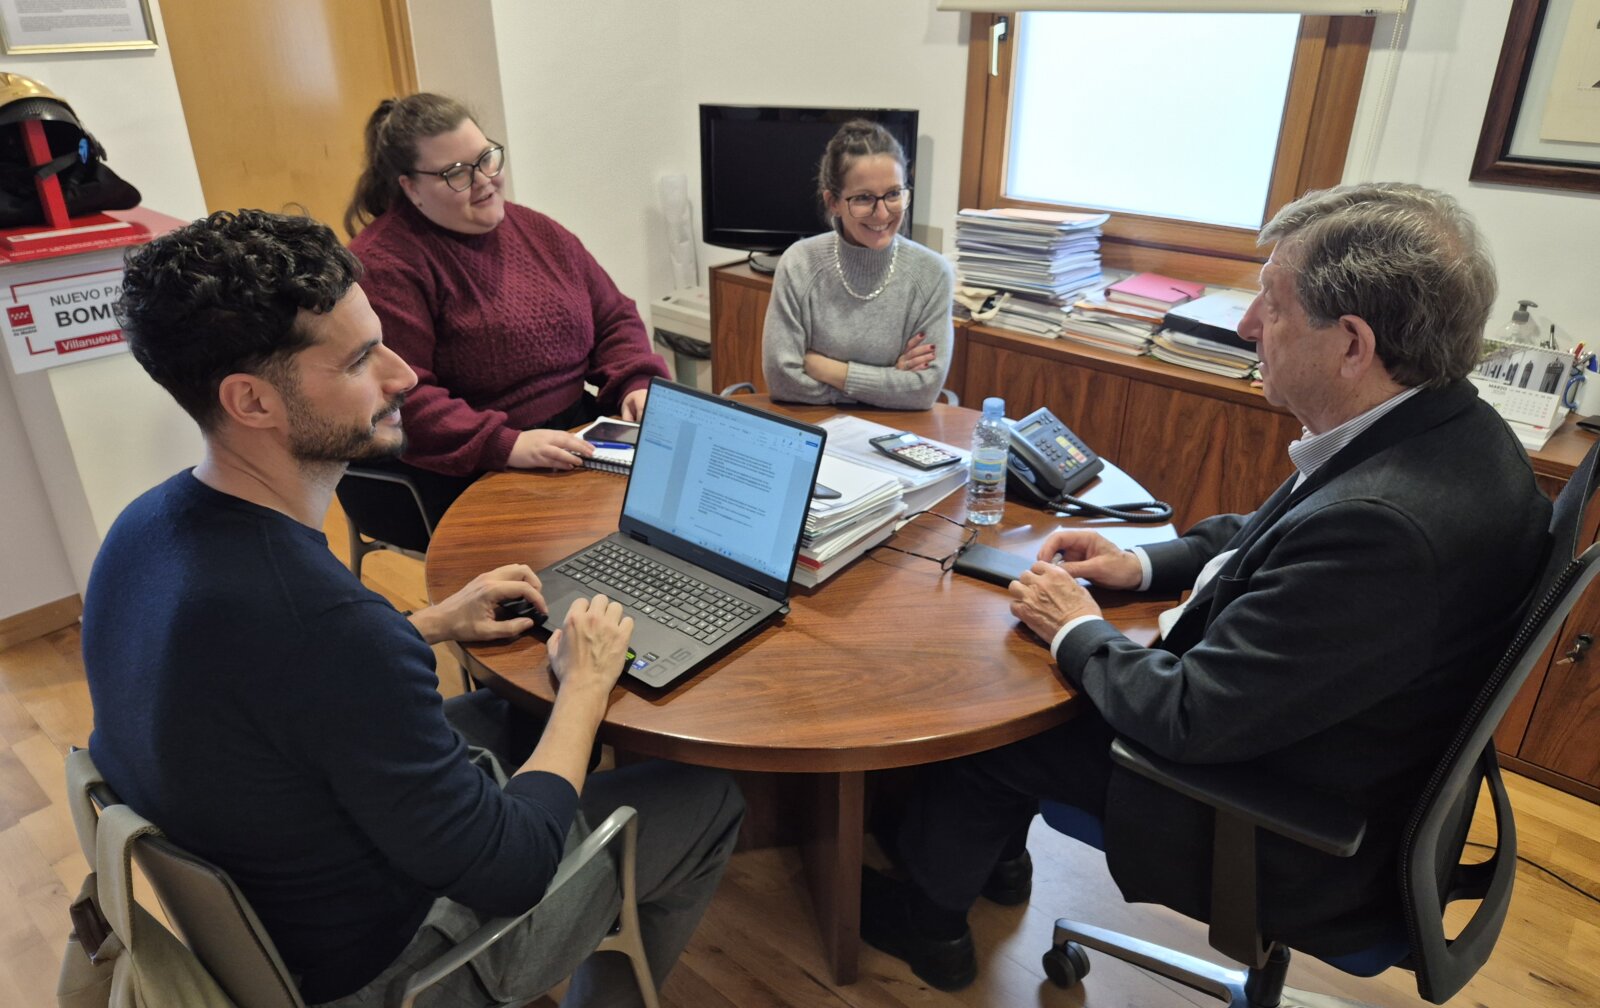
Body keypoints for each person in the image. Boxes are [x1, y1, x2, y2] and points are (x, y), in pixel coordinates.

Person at [859, 182, 1552, 990]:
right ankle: (993, 864)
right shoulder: (1445, 430)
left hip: (1280, 824)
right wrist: (1144, 564)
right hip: (1347, 758)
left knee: (988, 722)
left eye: (1273, 305)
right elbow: (1273, 533)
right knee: (1029, 688)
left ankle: (932, 928)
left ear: (1352, 345)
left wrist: (1076, 623)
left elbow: (1188, 716)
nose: (1248, 324)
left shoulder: (1387, 528)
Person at [85, 209, 743, 1007]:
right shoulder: (327, 628)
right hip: (392, 968)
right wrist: (586, 686)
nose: (403, 377)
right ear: (251, 401)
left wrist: (427, 624)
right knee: (707, 797)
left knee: (508, 710)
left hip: (281, 896)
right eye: (361, 359)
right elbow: (514, 870)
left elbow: (274, 683)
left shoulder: (141, 532)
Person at [344, 93, 670, 527]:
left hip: (570, 432)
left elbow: (613, 317)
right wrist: (505, 444)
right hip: (465, 463)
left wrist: (635, 383)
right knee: (598, 539)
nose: (484, 181)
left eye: (486, 159)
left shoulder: (537, 230)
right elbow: (405, 396)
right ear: (410, 186)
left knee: (674, 511)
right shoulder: (386, 264)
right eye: (456, 173)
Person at [761, 119, 954, 409]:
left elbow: (924, 391)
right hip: (815, 425)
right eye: (864, 198)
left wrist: (823, 368)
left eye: (893, 194)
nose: (882, 214)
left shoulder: (932, 274)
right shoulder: (799, 264)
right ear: (833, 202)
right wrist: (889, 382)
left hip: (899, 430)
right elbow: (781, 379)